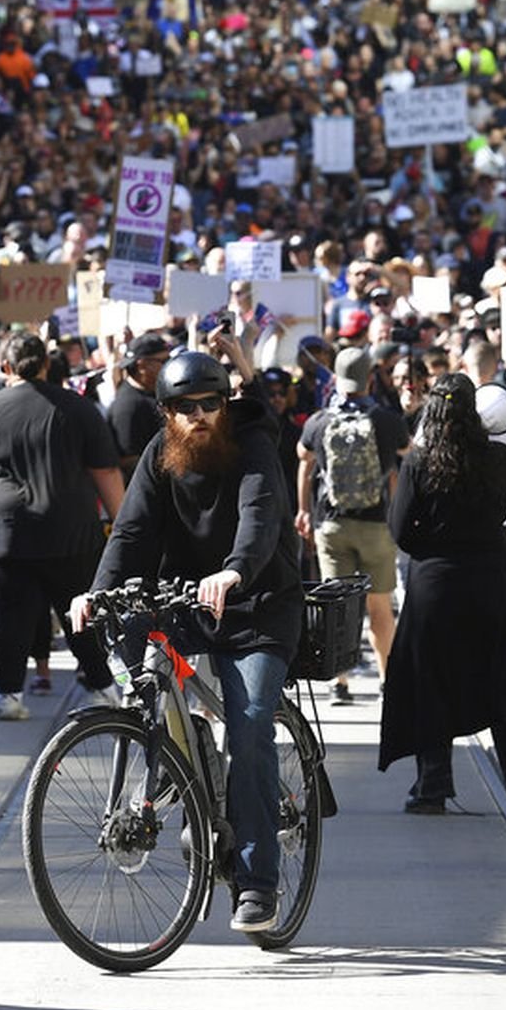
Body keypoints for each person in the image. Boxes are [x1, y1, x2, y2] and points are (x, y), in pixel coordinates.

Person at [74, 352, 304, 934]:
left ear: (227, 404)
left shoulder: (251, 445)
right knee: (137, 666)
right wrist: (97, 593)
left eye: (211, 404)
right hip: (184, 604)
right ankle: (174, 754)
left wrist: (233, 571)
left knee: (249, 724)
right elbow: (130, 531)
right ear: (165, 413)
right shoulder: (160, 454)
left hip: (256, 606)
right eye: (184, 408)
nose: (199, 416)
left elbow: (262, 515)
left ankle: (257, 883)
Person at [383, 372, 506, 816]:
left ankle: (432, 785)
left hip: (434, 585)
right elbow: (499, 513)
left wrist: (434, 550)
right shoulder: (498, 458)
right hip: (489, 581)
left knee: (430, 680)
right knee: (502, 679)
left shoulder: (419, 462)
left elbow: (401, 531)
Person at [0, 332, 122, 722]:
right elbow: (106, 470)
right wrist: (122, 522)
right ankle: (105, 687)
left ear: (4, 367)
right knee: (81, 614)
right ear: (45, 364)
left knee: (10, 618)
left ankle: (9, 695)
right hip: (71, 531)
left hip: (6, 535)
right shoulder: (77, 409)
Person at [296, 345, 408, 704]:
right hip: (376, 525)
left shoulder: (318, 421)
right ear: (370, 378)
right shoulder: (387, 421)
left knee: (337, 608)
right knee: (379, 607)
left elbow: (304, 460)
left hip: (331, 524)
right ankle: (389, 678)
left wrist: (303, 511)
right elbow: (405, 459)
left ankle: (339, 682)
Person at [107, 332, 169, 479]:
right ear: (142, 365)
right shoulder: (128, 408)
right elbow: (129, 461)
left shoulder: (152, 392)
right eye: (164, 360)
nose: (169, 364)